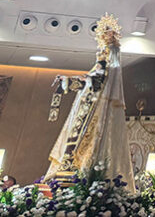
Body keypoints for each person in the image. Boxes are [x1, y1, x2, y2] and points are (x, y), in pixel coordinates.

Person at [45, 14, 134, 191]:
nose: (106, 36)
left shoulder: (110, 63)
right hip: (86, 104)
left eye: (109, 33)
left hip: (97, 106)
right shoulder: (98, 68)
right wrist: (67, 81)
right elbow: (89, 81)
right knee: (73, 138)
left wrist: (87, 79)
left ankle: (82, 171)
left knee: (91, 138)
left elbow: (100, 80)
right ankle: (68, 168)